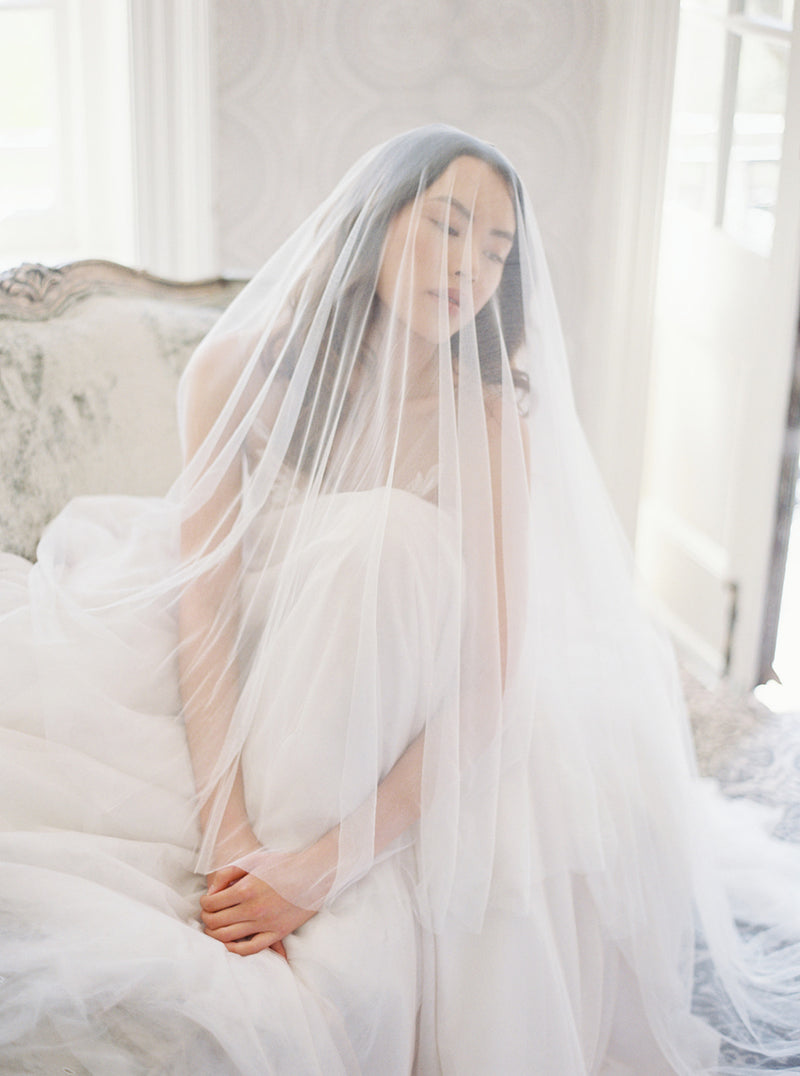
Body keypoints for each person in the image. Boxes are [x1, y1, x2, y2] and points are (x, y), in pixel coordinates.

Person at [0, 125, 799, 1074]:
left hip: (410, 714)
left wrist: (324, 863)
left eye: (496, 252)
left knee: (388, 548)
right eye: (447, 228)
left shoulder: (492, 418)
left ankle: (330, 913)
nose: (470, 268)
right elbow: (205, 606)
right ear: (378, 223)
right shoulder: (238, 370)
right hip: (246, 671)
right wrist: (231, 827)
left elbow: (487, 683)